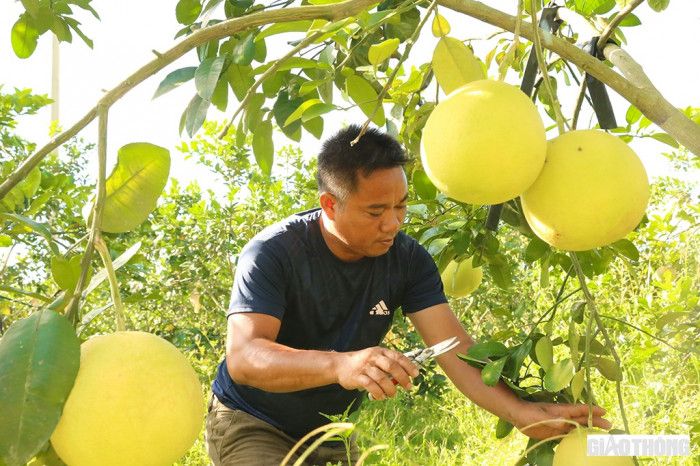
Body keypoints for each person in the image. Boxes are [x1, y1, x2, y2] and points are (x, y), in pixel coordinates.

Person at [204, 125, 611, 465]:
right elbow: (245, 357)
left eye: (401, 206)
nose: (393, 223)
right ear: (330, 204)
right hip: (252, 420)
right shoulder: (273, 253)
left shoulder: (408, 261)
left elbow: (454, 349)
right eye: (376, 211)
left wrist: (521, 412)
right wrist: (341, 365)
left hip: (328, 432)